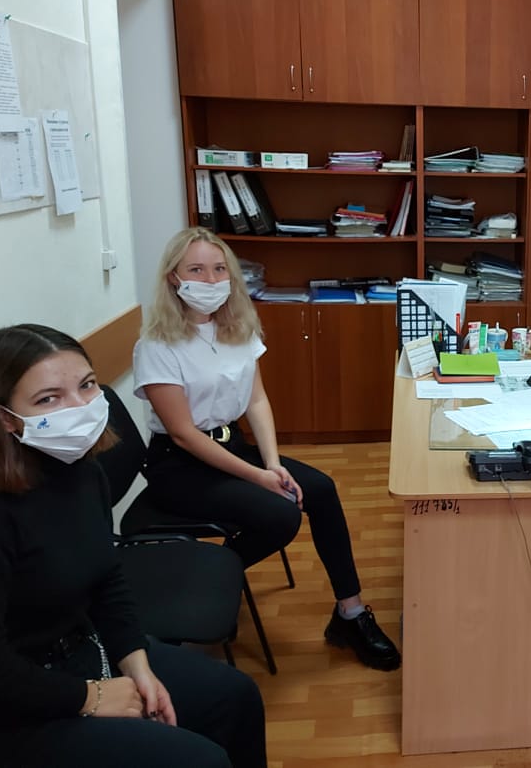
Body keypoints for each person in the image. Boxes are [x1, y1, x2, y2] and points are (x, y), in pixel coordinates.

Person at [0, 324, 267, 768]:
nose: (80, 406)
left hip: (83, 652)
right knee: (199, 760)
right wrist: (89, 697)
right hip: (11, 703)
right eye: (49, 399)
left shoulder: (85, 473)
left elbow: (106, 579)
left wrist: (138, 666)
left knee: (234, 696)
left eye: (87, 385)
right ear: (6, 419)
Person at [133, 227, 400, 671]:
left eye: (219, 269)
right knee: (282, 514)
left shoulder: (235, 328)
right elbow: (183, 434)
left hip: (232, 446)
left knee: (321, 490)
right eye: (196, 269)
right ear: (174, 278)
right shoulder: (157, 345)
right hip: (180, 466)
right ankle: (207, 579)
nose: (210, 280)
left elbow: (256, 401)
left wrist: (273, 464)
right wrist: (259, 476)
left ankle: (350, 613)